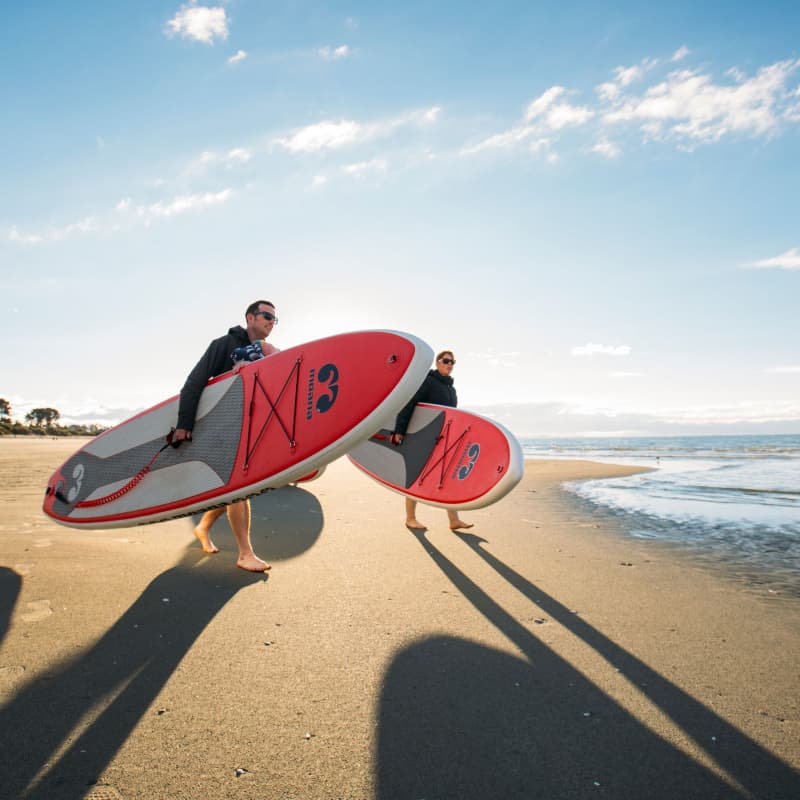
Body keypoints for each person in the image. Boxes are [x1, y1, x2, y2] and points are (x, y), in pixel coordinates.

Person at [173, 300, 279, 572]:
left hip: (247, 429)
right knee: (238, 490)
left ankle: (203, 528)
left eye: (274, 319)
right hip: (220, 428)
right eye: (267, 316)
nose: (271, 322)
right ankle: (245, 553)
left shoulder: (265, 352)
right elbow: (194, 382)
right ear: (250, 317)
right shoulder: (223, 344)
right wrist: (184, 424)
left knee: (232, 491)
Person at [390, 350, 474, 532]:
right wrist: (400, 430)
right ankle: (410, 518)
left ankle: (454, 520)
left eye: (453, 362)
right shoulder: (428, 382)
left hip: (443, 438)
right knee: (418, 474)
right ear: (437, 362)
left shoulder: (451, 389)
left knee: (447, 477)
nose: (450, 364)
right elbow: (410, 404)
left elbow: (452, 416)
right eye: (446, 361)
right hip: (424, 436)